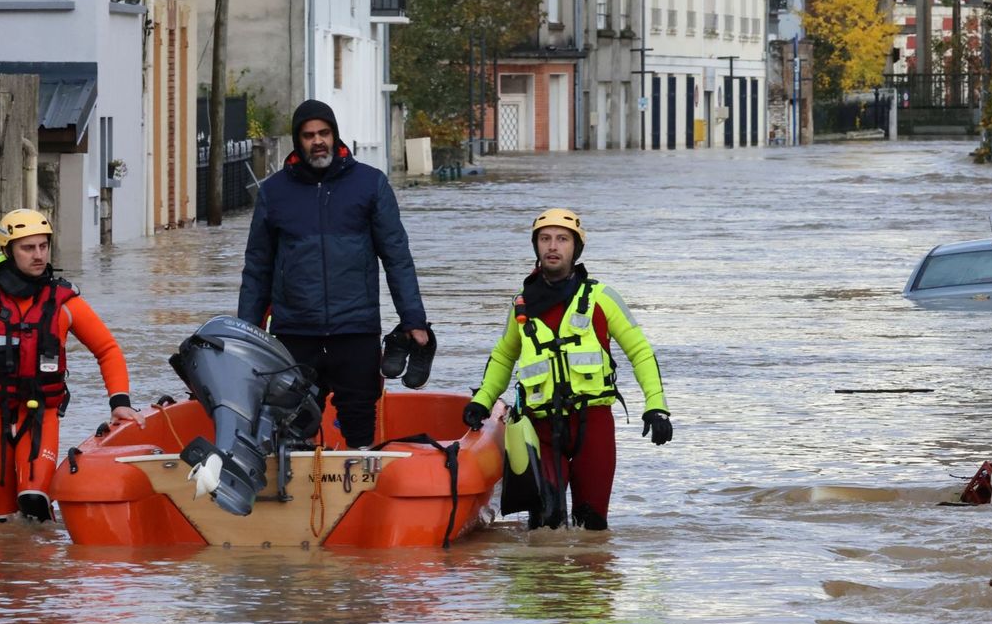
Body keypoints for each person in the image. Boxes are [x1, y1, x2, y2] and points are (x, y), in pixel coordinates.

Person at [462, 208, 671, 531]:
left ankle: (587, 581)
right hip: (539, 429)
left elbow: (640, 352)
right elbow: (503, 357)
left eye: (562, 239)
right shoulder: (520, 305)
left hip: (594, 425)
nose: (553, 246)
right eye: (545, 239)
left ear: (576, 248)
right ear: (536, 247)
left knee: (593, 527)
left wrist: (656, 407)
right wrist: (483, 401)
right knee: (546, 526)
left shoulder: (601, 298)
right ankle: (548, 581)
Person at [239, 100, 429, 449]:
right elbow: (257, 270)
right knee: (291, 430)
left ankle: (362, 495)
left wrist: (413, 319)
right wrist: (246, 335)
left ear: (335, 135)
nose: (318, 141)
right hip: (294, 334)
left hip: (355, 330)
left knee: (360, 425)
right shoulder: (274, 192)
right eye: (309, 135)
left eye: (324, 133)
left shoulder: (371, 184)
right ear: (298, 141)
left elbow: (397, 257)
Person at [0, 208, 141, 523]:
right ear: (7, 251)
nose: (38, 255)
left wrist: (120, 402)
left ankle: (47, 565)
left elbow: (108, 349)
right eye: (28, 248)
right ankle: (11, 567)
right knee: (3, 520)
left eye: (43, 246)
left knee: (34, 501)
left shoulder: (63, 301)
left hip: (40, 412)